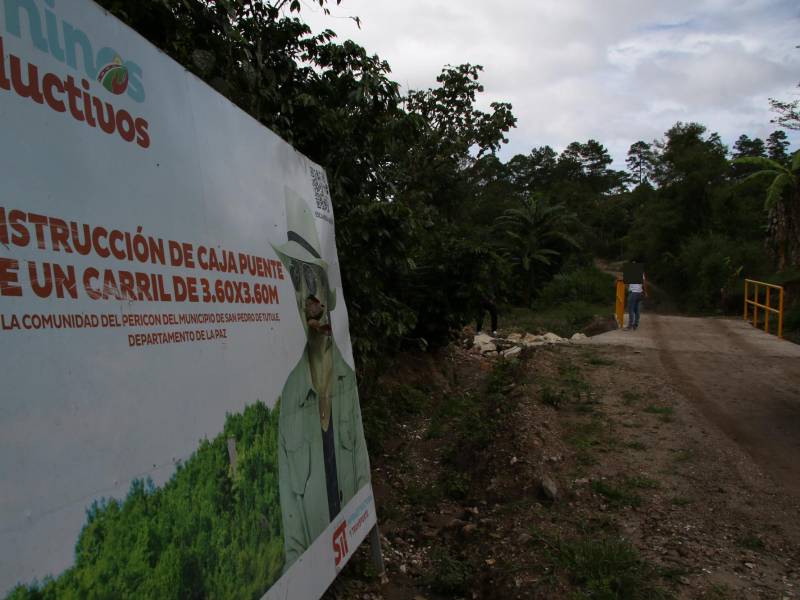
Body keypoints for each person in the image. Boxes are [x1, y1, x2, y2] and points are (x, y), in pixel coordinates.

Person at [273, 187, 370, 569]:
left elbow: (360, 475)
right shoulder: (290, 397)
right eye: (298, 281)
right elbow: (292, 522)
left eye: (313, 279)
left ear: (328, 297)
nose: (309, 296)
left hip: (351, 544)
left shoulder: (347, 384)